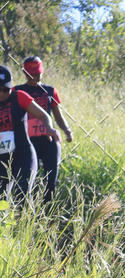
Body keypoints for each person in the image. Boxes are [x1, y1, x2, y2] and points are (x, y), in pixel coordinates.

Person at [14, 56, 72, 204]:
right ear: (24, 73)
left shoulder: (50, 91)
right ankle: (27, 213)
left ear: (42, 72)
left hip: (48, 141)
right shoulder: (17, 91)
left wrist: (67, 130)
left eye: (37, 73)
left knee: (51, 181)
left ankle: (48, 214)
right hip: (27, 142)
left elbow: (58, 116)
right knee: (27, 180)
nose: (34, 76)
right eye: (31, 73)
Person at [0, 64, 60, 207]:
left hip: (24, 155)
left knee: (23, 195)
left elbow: (44, 115)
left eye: (6, 89)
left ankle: (30, 227)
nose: (2, 93)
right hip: (2, 159)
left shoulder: (19, 97)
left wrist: (49, 127)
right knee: (2, 200)